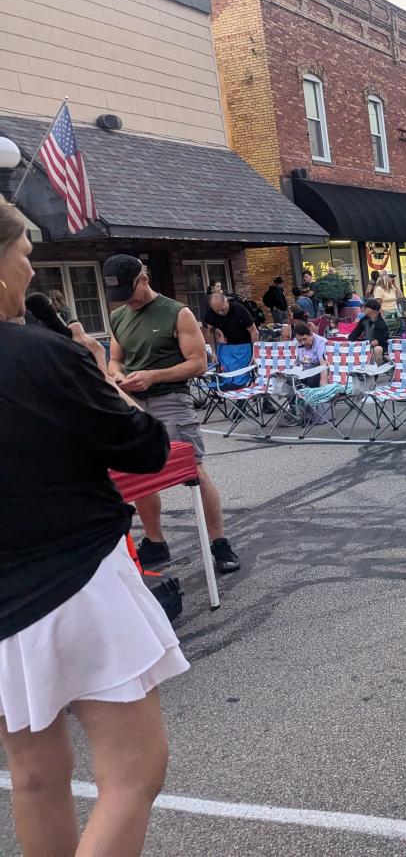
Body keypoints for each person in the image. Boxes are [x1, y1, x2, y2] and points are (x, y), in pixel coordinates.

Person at [0, 206, 188, 857]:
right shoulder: (40, 355)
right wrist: (96, 372)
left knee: (34, 777)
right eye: (23, 250)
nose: (30, 264)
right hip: (76, 576)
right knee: (134, 770)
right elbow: (144, 446)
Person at [102, 254, 239, 573]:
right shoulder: (119, 316)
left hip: (170, 400)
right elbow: (115, 359)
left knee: (194, 472)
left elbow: (198, 363)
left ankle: (219, 542)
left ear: (144, 279)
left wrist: (153, 375)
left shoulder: (178, 313)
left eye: (128, 292)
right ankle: (155, 541)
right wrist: (118, 375)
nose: (126, 301)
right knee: (137, 474)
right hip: (132, 404)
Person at [199, 290, 258, 356]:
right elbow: (210, 331)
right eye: (217, 311)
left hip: (247, 341)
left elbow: (254, 331)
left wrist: (255, 353)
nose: (221, 313)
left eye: (223, 309)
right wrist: (213, 352)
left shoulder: (238, 309)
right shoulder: (211, 313)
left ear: (227, 302)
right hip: (230, 343)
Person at [347, 298, 390, 365]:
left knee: (378, 349)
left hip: (377, 346)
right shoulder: (364, 319)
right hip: (366, 344)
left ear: (371, 309)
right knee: (351, 346)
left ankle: (378, 369)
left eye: (366, 307)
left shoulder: (381, 324)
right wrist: (349, 341)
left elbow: (376, 342)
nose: (364, 309)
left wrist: (363, 346)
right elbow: (356, 332)